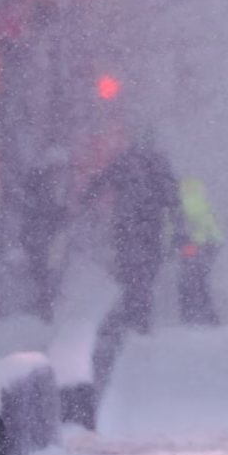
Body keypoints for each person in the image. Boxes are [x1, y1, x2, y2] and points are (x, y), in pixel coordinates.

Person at [90, 131, 183, 334]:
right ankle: (139, 319)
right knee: (145, 275)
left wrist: (87, 197)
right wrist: (178, 229)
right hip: (150, 228)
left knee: (130, 272)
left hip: (127, 226)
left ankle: (132, 315)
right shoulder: (159, 164)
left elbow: (101, 183)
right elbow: (173, 199)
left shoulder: (124, 161)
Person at [176, 174, 223, 326]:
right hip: (209, 244)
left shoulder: (183, 203)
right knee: (200, 281)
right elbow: (210, 225)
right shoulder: (201, 202)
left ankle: (190, 316)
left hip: (192, 246)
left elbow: (179, 227)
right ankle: (209, 317)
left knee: (188, 282)